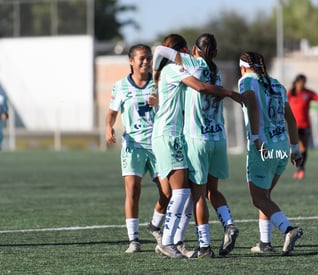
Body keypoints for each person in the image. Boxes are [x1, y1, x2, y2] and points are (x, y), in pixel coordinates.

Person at [152, 34, 242, 259]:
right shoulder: (183, 69)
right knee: (185, 192)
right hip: (174, 135)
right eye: (181, 53)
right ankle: (167, 240)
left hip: (185, 137)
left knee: (191, 193)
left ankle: (177, 241)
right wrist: (231, 93)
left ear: (193, 50)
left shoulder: (188, 68)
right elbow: (201, 87)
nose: (185, 56)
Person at [238, 52, 303, 256]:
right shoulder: (277, 85)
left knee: (258, 198)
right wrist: (295, 149)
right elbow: (291, 119)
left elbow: (253, 107)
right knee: (265, 195)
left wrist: (256, 137)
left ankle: (288, 229)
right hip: (282, 147)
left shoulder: (246, 81)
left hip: (263, 147)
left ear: (243, 67)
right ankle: (264, 242)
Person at [105, 44, 168, 253]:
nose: (146, 62)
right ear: (131, 61)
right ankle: (133, 240)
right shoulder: (121, 86)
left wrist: (159, 101)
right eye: (141, 58)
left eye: (149, 58)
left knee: (167, 193)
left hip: (158, 144)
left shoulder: (160, 83)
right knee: (133, 191)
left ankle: (155, 226)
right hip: (133, 145)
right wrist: (108, 127)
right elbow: (112, 112)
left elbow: (172, 108)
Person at [287, 74, 318, 180]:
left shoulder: (308, 93)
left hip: (305, 125)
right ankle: (298, 164)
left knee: (304, 148)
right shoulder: (290, 94)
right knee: (296, 146)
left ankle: (301, 169)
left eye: (304, 82)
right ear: (296, 82)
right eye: (301, 82)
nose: (302, 84)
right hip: (293, 125)